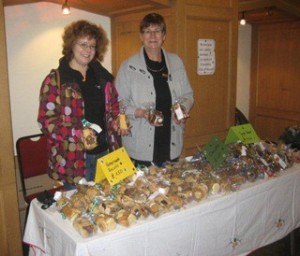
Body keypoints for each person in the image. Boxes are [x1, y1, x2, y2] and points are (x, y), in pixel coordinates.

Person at [37, 20, 122, 188]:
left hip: (105, 155)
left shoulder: (103, 78)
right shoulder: (55, 80)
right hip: (73, 161)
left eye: (92, 46)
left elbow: (113, 110)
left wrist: (117, 123)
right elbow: (46, 122)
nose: (88, 50)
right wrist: (77, 132)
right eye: (83, 44)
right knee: (79, 209)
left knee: (106, 208)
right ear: (71, 45)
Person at [115, 13, 194, 167]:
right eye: (147, 31)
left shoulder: (176, 62)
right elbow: (118, 102)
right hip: (140, 143)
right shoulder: (128, 67)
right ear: (141, 36)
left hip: (171, 141)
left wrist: (182, 109)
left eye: (157, 30)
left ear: (163, 35)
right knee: (143, 189)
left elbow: (188, 94)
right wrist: (141, 113)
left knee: (171, 187)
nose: (152, 35)